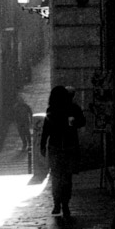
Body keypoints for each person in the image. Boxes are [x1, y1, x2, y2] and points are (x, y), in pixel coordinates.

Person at [40, 84, 87, 219]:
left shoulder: (52, 109)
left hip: (55, 147)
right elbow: (82, 121)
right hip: (69, 146)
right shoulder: (73, 108)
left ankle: (57, 203)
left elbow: (46, 129)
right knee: (66, 177)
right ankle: (64, 204)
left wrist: (43, 145)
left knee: (56, 177)